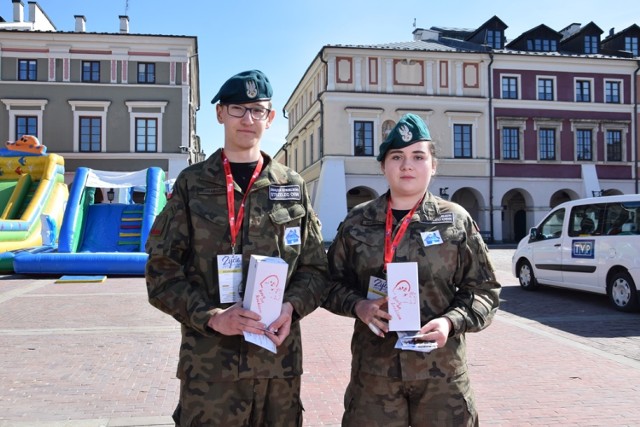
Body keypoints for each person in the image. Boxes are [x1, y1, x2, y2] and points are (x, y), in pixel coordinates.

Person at [145, 69, 329, 426]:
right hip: (210, 369)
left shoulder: (292, 186)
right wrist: (212, 317)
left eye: (257, 110)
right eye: (237, 109)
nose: (248, 119)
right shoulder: (192, 184)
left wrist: (292, 307)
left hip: (277, 367)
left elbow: (315, 270)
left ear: (270, 118)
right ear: (219, 114)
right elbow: (161, 272)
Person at [322, 113, 502, 426]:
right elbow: (327, 283)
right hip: (374, 376)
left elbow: (483, 290)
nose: (407, 165)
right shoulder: (357, 222)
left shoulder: (455, 221)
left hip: (441, 376)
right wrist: (358, 305)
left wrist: (450, 322)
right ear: (383, 166)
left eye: (418, 156)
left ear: (433, 165)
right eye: (397, 157)